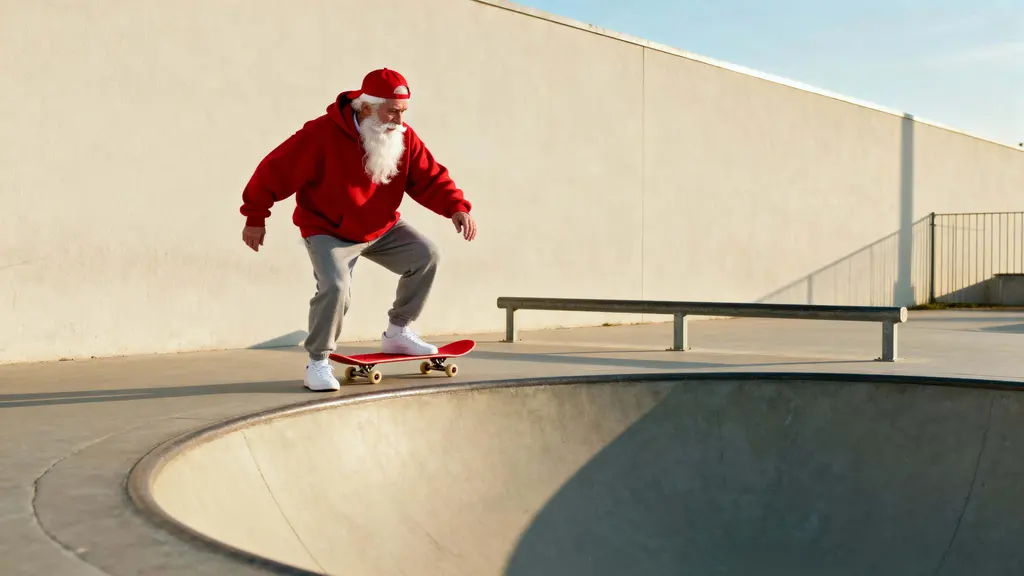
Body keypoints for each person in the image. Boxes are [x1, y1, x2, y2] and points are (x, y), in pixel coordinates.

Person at [239, 68, 477, 392]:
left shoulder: (403, 136)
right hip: (327, 229)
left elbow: (430, 177)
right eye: (391, 111)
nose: (399, 120)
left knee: (426, 255)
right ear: (366, 107)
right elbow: (275, 170)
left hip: (381, 227)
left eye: (403, 111)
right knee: (336, 288)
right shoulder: (320, 134)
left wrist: (456, 207)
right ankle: (318, 361)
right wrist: (255, 217)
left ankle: (397, 332)